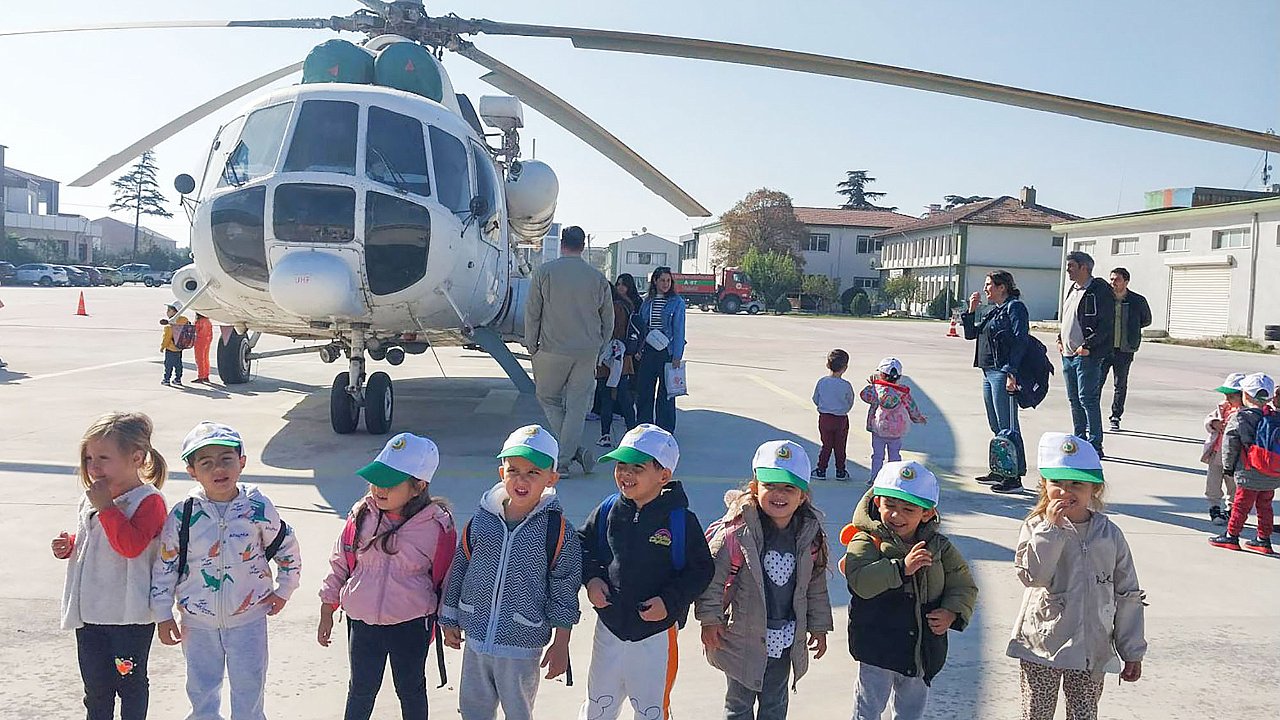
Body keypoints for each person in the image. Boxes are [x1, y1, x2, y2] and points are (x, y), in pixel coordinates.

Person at [150, 421, 302, 720]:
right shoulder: (184, 513)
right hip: (197, 621)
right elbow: (166, 564)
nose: (218, 469)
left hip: (249, 619)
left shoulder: (257, 505)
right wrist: (163, 613)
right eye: (206, 462)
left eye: (226, 459)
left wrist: (285, 589)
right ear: (192, 470)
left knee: (249, 687)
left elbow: (286, 546)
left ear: (241, 462)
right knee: (201, 687)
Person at [439, 425, 582, 720]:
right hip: (476, 638)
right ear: (501, 473)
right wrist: (449, 616)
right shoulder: (482, 519)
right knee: (473, 710)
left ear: (551, 478)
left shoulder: (557, 530)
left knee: (518, 711)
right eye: (514, 469)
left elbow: (565, 588)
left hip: (521, 644)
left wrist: (562, 641)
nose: (521, 479)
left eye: (533, 472)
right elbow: (461, 567)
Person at [578, 424, 714, 720]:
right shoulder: (608, 510)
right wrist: (592, 579)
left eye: (637, 468)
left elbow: (701, 570)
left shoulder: (681, 520)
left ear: (664, 475)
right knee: (598, 706)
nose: (625, 474)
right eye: (621, 465)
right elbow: (582, 544)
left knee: (651, 710)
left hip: (656, 635)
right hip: (610, 628)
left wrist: (669, 601)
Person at [317, 432, 457, 720]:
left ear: (418, 487)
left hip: (410, 624)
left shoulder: (437, 527)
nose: (379, 488)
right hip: (363, 622)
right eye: (375, 478)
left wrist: (447, 621)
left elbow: (446, 579)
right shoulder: (361, 515)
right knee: (360, 689)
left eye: (389, 483)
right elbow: (341, 560)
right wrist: (328, 606)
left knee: (411, 689)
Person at [1008, 432, 1146, 720]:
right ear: (1044, 485)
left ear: (1094, 489)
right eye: (1057, 482)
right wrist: (1052, 530)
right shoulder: (1036, 526)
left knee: (1084, 715)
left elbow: (1128, 593)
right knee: (1037, 714)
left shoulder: (1109, 534)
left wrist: (1131, 649)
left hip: (1091, 649)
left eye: (1077, 484)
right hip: (1043, 646)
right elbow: (1033, 576)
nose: (1065, 491)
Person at [697, 440, 833, 720]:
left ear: (803, 495)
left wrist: (819, 626)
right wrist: (710, 620)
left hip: (784, 640)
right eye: (770, 485)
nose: (778, 494)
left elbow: (815, 585)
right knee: (738, 705)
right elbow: (712, 579)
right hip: (741, 637)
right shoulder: (737, 532)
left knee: (775, 703)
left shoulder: (810, 536)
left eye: (788, 488)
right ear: (755, 487)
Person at [53, 412, 169, 720]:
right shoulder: (91, 499)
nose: (94, 466)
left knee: (130, 686)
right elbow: (96, 540)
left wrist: (105, 507)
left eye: (104, 457)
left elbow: (130, 547)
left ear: (136, 457)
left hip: (127, 618)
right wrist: (70, 545)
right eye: (90, 457)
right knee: (96, 690)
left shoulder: (149, 501)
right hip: (91, 615)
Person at [843, 460, 978, 720]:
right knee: (868, 707)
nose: (897, 515)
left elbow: (963, 583)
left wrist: (952, 612)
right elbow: (860, 580)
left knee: (911, 710)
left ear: (926, 513)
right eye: (890, 506)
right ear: (877, 502)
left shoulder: (939, 547)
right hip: (877, 644)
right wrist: (900, 569)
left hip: (920, 647)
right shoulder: (866, 539)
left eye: (909, 509)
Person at [525, 225, 614, 476]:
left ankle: (565, 457)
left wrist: (532, 344)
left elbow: (532, 313)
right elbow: (608, 319)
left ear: (562, 243)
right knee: (577, 406)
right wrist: (601, 348)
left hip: (552, 348)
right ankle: (568, 455)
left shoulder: (544, 272)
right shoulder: (597, 278)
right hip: (587, 351)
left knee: (548, 398)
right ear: (583, 246)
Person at [961, 270, 1030, 488]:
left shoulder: (1015, 307)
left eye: (989, 284)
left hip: (1002, 372)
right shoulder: (994, 311)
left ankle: (1013, 477)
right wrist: (971, 310)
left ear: (1003, 287)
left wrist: (1012, 372)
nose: (985, 288)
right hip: (988, 371)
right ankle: (1000, 468)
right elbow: (971, 334)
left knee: (1008, 425)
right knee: (995, 424)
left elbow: (1021, 340)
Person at [1210, 372, 1278, 554]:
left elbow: (1230, 446)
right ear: (1270, 396)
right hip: (1271, 472)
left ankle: (1231, 536)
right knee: (1265, 506)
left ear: (1245, 395)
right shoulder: (1274, 416)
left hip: (1248, 471)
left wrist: (1228, 468)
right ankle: (1263, 540)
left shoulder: (1241, 417)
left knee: (1241, 505)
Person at [1056, 251, 1115, 456]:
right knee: (1074, 399)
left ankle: (1095, 444)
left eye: (1072, 266)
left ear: (1084, 267)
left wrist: (1088, 345)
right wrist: (1060, 339)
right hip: (1068, 354)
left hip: (1086, 355)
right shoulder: (1072, 289)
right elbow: (1068, 317)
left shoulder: (1098, 291)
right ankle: (1079, 439)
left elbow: (1107, 324)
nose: (1068, 270)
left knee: (1087, 399)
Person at [859, 357, 928, 485]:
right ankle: (893, 480)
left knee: (877, 456)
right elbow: (911, 407)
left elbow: (863, 395)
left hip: (878, 429)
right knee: (895, 456)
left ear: (881, 374)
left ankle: (874, 479)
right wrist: (918, 418)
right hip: (897, 430)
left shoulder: (876, 390)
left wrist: (872, 384)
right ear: (898, 376)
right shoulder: (902, 392)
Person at [1098, 268, 1152, 431]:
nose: (1113, 283)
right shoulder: (1104, 299)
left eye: (1117, 279)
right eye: (1111, 279)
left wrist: (1131, 331)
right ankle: (1091, 417)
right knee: (1096, 383)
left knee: (1120, 384)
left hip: (1125, 349)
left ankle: (1115, 416)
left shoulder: (1137, 301)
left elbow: (1146, 320)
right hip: (1103, 348)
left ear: (1126, 282)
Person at [635, 267, 687, 433]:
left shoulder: (676, 302)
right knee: (644, 389)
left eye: (668, 281)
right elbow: (642, 326)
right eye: (662, 280)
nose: (665, 284)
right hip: (649, 350)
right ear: (655, 281)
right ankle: (644, 426)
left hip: (667, 351)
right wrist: (639, 348)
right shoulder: (647, 301)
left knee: (666, 392)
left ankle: (665, 428)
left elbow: (679, 329)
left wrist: (677, 355)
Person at [595, 284, 638, 447]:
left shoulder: (608, 308)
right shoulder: (625, 306)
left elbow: (605, 332)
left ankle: (605, 435)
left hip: (606, 358)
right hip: (623, 358)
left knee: (606, 398)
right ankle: (633, 435)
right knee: (624, 398)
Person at [1201, 373, 1245, 526]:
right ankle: (1214, 506)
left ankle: (1232, 508)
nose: (1227, 400)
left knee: (1233, 485)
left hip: (1234, 457)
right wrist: (1213, 423)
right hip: (1216, 452)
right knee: (1212, 483)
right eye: (1226, 396)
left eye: (1231, 396)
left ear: (1243, 396)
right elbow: (1208, 419)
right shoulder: (1223, 408)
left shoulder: (1245, 413)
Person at [811, 349, 855, 482]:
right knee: (840, 446)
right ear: (845, 368)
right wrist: (843, 409)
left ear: (827, 365)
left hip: (825, 418)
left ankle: (821, 469)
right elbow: (850, 400)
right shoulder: (846, 385)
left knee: (826, 445)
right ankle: (840, 471)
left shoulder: (822, 382)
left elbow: (815, 398)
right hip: (840, 418)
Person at [159, 302, 191, 387]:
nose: (167, 312)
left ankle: (166, 379)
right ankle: (178, 379)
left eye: (169, 310)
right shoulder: (184, 320)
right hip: (180, 347)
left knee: (168, 365)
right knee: (178, 364)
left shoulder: (170, 325)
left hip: (171, 348)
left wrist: (162, 347)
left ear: (175, 312)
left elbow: (167, 338)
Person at [193, 313, 214, 384]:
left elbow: (194, 330)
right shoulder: (208, 321)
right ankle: (206, 375)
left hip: (200, 340)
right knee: (205, 358)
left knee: (199, 359)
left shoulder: (199, 322)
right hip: (207, 340)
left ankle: (201, 376)